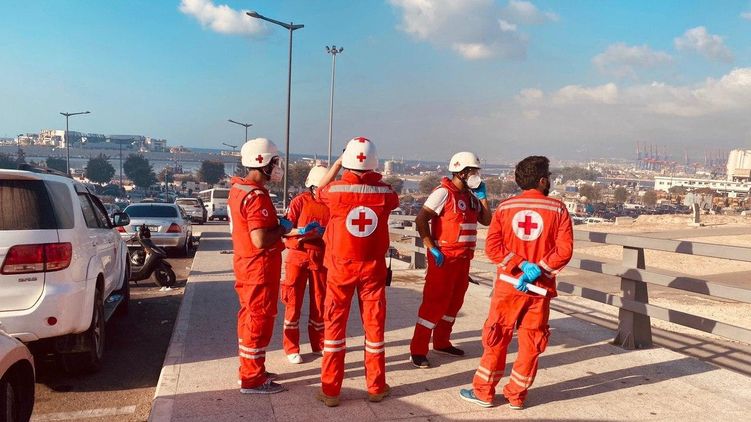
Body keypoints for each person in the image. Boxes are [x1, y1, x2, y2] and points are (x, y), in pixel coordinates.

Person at [459, 155, 573, 410]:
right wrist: (539, 268)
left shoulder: (505, 208)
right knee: (532, 341)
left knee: (497, 336)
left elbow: (493, 247)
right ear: (542, 180)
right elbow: (564, 251)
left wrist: (520, 264)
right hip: (539, 288)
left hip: (508, 286)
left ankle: (484, 392)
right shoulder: (558, 209)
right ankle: (517, 395)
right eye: (548, 177)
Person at [228, 137, 319, 394]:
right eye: (275, 163)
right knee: (259, 319)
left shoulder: (239, 189)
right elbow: (260, 239)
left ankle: (251, 368)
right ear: (263, 162)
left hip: (246, 264)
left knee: (248, 318)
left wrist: (284, 228)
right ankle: (252, 379)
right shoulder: (256, 196)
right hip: (259, 267)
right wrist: (281, 228)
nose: (278, 168)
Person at [315, 137, 399, 407]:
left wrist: (337, 164)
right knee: (374, 328)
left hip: (340, 268)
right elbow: (392, 198)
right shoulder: (386, 193)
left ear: (348, 160)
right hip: (372, 269)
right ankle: (376, 387)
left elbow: (318, 190)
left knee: (334, 327)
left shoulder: (335, 191)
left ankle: (330, 391)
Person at [409, 152, 492, 368]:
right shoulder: (443, 193)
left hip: (463, 260)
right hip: (443, 259)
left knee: (454, 303)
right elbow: (421, 219)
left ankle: (442, 342)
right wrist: (431, 248)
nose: (476, 175)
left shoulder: (471, 197)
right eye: (473, 171)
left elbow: (486, 220)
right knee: (433, 304)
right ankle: (418, 350)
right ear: (461, 172)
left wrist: (483, 197)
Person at [281, 165, 330, 364]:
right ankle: (291, 347)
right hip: (298, 256)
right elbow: (285, 229)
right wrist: (301, 233)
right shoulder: (299, 201)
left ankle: (319, 343)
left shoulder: (332, 203)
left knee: (320, 303)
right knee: (293, 302)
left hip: (321, 257)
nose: (321, 192)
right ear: (312, 186)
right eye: (318, 188)